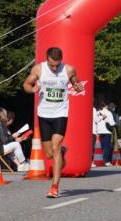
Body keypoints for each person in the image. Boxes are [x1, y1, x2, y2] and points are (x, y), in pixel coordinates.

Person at [22, 46, 84, 199]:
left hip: (60, 113)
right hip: (44, 114)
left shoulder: (69, 70)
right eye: (52, 65)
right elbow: (26, 85)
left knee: (55, 146)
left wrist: (77, 86)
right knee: (50, 154)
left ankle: (54, 187)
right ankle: (62, 153)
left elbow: (76, 82)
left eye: (57, 64)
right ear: (46, 59)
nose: (55, 68)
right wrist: (33, 90)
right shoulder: (39, 69)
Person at [0, 108, 28, 172]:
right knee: (16, 145)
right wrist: (13, 137)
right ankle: (23, 163)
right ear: (4, 115)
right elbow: (4, 141)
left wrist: (13, 138)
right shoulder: (1, 124)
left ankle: (19, 165)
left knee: (12, 146)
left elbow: (2, 139)